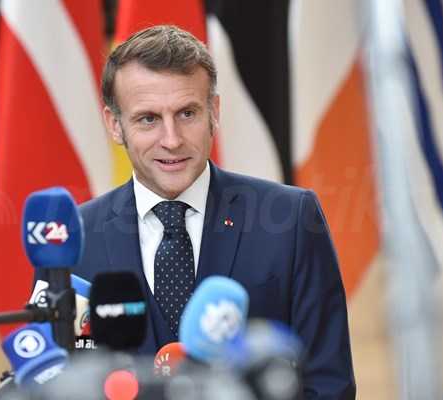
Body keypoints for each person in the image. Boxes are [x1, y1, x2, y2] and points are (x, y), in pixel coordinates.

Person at [74, 25, 355, 398]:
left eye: (187, 113)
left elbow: (329, 384)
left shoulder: (291, 219)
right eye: (148, 119)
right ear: (115, 125)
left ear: (214, 112)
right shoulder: (75, 237)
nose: (172, 139)